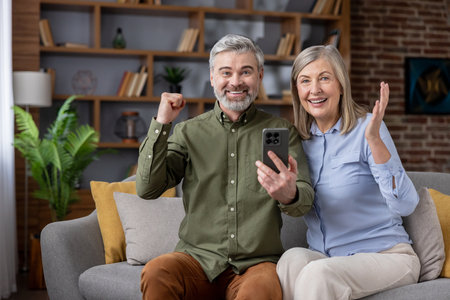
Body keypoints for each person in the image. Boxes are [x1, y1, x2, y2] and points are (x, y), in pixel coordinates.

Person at [136, 33, 314, 300]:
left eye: (246, 72)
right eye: (226, 72)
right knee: (156, 272)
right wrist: (162, 123)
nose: (236, 82)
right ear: (212, 78)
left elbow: (305, 199)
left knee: (263, 289)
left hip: (257, 264)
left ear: (260, 76)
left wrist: (290, 194)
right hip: (196, 259)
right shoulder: (187, 132)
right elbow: (147, 188)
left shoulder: (282, 131)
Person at [275, 45, 420, 300]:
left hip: (387, 255)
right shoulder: (300, 142)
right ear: (297, 91)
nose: (315, 89)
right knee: (291, 260)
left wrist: (375, 140)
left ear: (341, 85)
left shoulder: (368, 128)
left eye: (324, 78)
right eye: (305, 81)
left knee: (318, 274)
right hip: (329, 257)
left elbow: (406, 205)